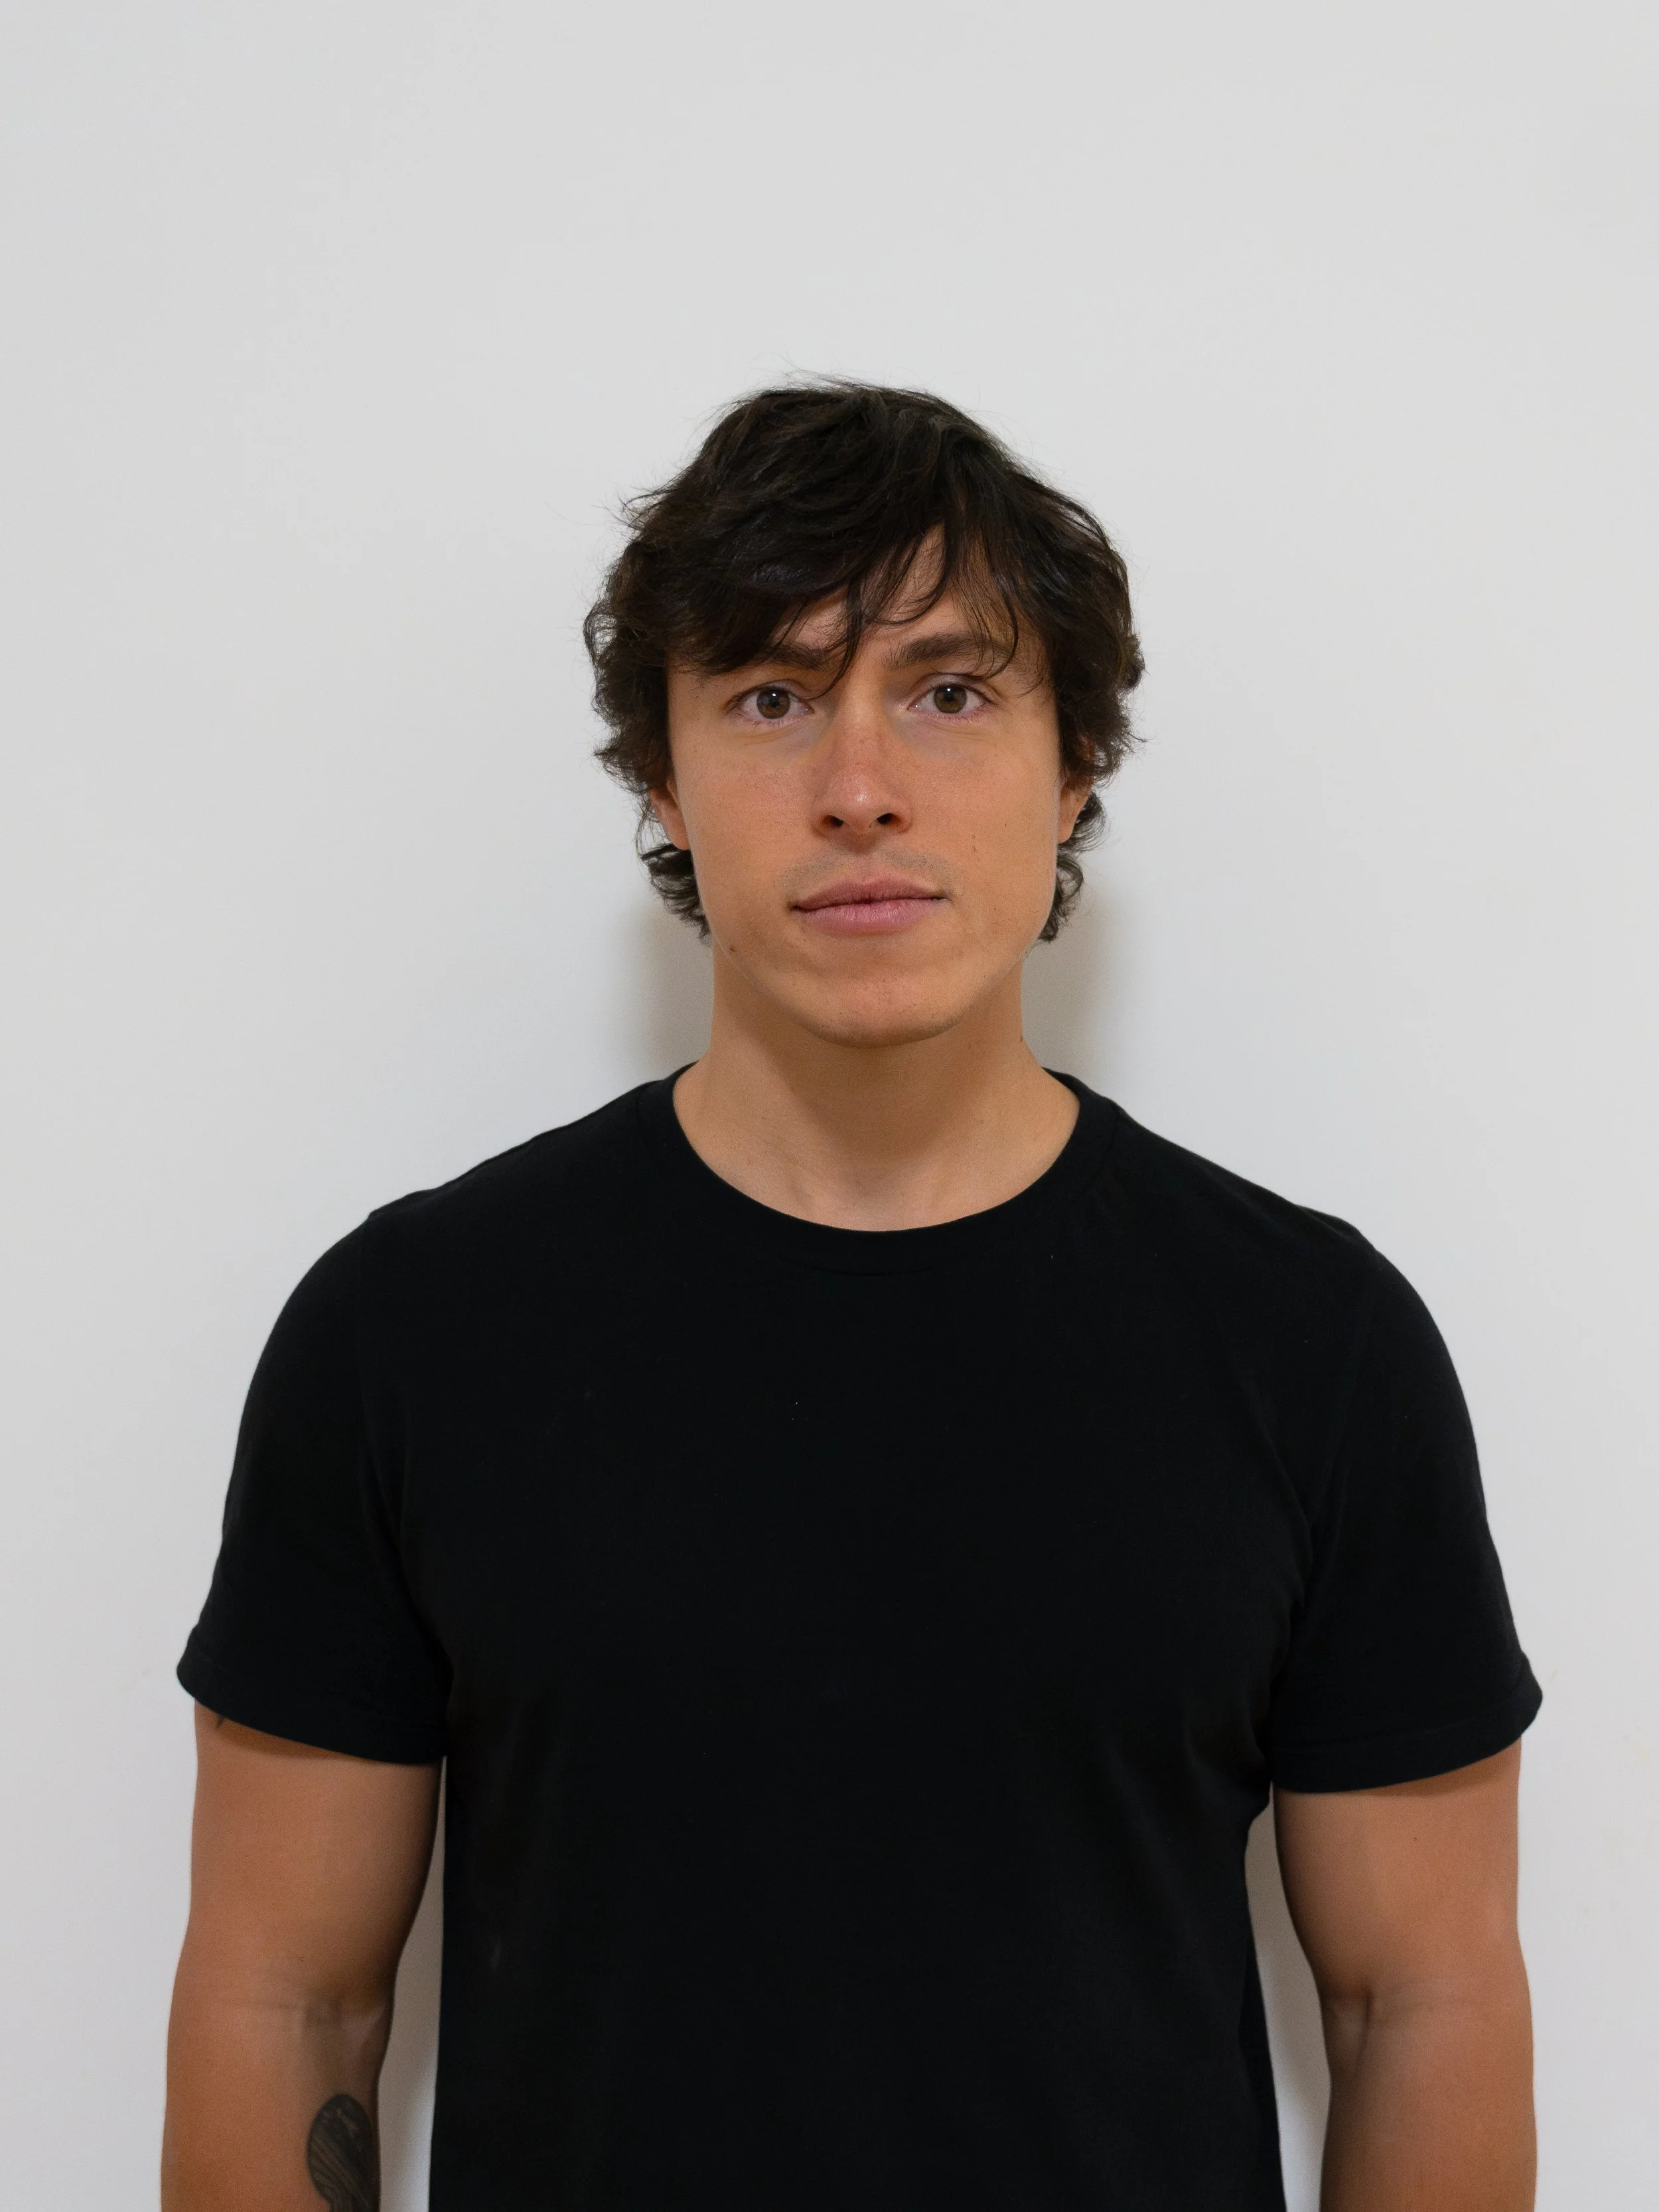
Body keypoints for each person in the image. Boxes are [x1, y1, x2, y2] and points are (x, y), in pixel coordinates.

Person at [163, 382, 1541, 2212]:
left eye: (952, 692)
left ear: (1075, 767)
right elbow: (286, 2000)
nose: (860, 784)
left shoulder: (1315, 1344)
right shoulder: (405, 1332)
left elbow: (1421, 1996)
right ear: (662, 778)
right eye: (771, 695)